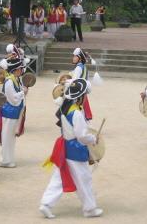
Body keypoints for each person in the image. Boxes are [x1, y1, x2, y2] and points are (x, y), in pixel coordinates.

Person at [40, 78, 103, 219]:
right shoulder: (77, 114)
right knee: (84, 179)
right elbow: (81, 136)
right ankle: (90, 209)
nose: (86, 98)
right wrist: (93, 139)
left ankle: (46, 204)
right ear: (80, 97)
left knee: (58, 179)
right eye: (85, 95)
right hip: (76, 151)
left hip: (64, 148)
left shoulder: (66, 108)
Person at [0, 57, 27, 168]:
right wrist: (23, 93)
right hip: (8, 113)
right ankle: (4, 160)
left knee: (10, 137)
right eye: (19, 69)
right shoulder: (9, 81)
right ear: (15, 70)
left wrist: (22, 92)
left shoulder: (15, 79)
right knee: (7, 137)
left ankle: (8, 159)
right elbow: (12, 99)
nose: (21, 70)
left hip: (13, 112)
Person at [70, 48, 93, 121]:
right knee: (82, 112)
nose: (73, 58)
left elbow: (73, 82)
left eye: (75, 56)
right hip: (83, 94)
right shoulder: (84, 67)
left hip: (78, 94)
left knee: (75, 112)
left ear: (79, 58)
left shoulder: (78, 68)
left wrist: (66, 82)